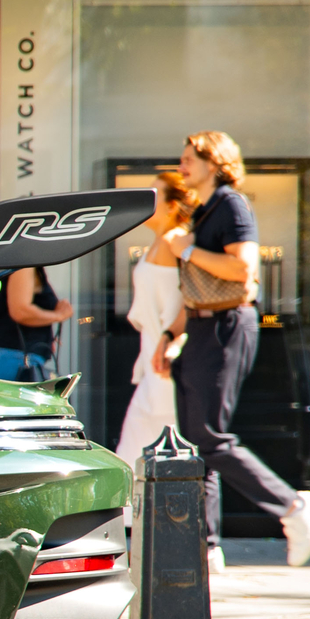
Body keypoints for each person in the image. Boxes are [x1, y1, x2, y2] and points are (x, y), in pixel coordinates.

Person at [152, 130, 310, 568]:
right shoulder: (204, 209)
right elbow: (196, 287)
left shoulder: (231, 204)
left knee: (209, 437)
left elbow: (243, 268)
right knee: (197, 446)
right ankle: (207, 548)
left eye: (189, 158)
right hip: (200, 327)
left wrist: (187, 249)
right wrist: (171, 336)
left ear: (214, 162)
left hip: (226, 326)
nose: (181, 165)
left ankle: (293, 506)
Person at [114, 171, 194, 465]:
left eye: (155, 195)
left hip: (166, 365)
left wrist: (173, 341)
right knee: (136, 458)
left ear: (172, 206)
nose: (148, 201)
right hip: (152, 364)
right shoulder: (160, 241)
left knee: (160, 460)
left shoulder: (177, 240)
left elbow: (193, 297)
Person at [0, 265, 72, 381]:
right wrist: (59, 315)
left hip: (8, 356)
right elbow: (21, 311)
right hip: (13, 357)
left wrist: (46, 334)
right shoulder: (24, 264)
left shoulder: (17, 263)